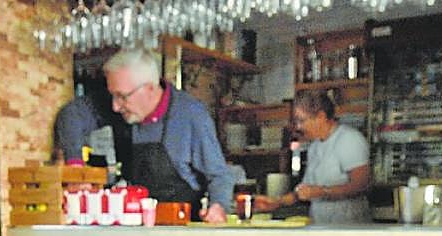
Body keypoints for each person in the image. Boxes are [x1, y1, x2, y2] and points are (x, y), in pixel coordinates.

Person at [102, 49, 233, 224]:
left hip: (182, 228)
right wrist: (76, 162)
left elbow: (219, 175)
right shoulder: (125, 115)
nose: (115, 107)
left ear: (149, 88)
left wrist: (218, 206)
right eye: (112, 96)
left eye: (121, 96)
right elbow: (74, 112)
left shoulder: (191, 114)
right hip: (137, 227)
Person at [255, 91, 371, 225]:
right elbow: (303, 191)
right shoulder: (314, 147)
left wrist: (321, 192)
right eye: (296, 121)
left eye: (302, 120)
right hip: (320, 227)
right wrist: (277, 202)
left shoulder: (349, 139)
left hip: (349, 228)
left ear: (321, 116)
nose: (298, 126)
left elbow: (362, 185)